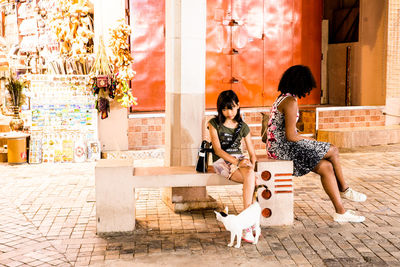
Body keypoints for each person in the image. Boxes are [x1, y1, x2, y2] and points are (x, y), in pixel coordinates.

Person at [266, 65, 367, 223]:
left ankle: (340, 212)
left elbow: (288, 131)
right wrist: (311, 141)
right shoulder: (290, 101)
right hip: (283, 149)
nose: (308, 89)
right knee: (333, 149)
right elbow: (291, 136)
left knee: (326, 167)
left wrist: (309, 141)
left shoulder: (282, 98)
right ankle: (344, 189)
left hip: (277, 148)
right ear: (300, 83)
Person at [208, 89, 257, 242]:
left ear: (238, 106)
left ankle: (246, 224)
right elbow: (217, 150)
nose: (229, 112)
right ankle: (248, 224)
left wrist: (251, 165)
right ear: (220, 109)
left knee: (250, 175)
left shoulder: (243, 126)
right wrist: (238, 163)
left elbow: (251, 151)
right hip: (222, 161)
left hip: (240, 160)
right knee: (251, 178)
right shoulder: (214, 123)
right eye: (224, 108)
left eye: (232, 107)